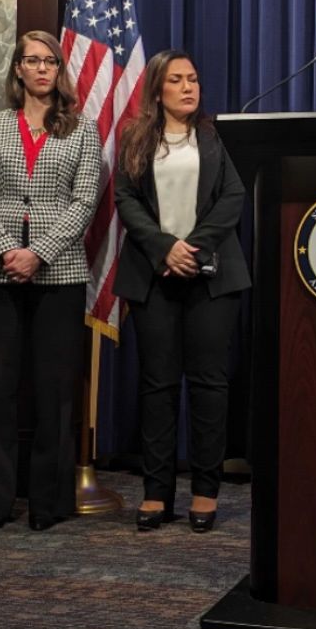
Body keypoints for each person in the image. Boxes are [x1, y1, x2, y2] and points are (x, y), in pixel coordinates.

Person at [0, 29, 101, 532]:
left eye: (50, 61)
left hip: (58, 271)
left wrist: (38, 253)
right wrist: (5, 249)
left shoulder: (81, 129)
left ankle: (48, 502)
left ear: (59, 71)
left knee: (53, 389)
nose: (42, 69)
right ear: (17, 70)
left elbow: (84, 200)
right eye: (32, 61)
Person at [113, 50, 250, 533]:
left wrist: (193, 248)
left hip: (212, 277)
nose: (189, 87)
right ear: (157, 90)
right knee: (158, 386)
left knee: (210, 386)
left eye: (193, 79)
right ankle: (156, 493)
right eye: (177, 80)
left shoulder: (215, 137)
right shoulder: (134, 138)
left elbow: (234, 195)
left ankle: (206, 491)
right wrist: (164, 248)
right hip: (153, 276)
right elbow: (124, 197)